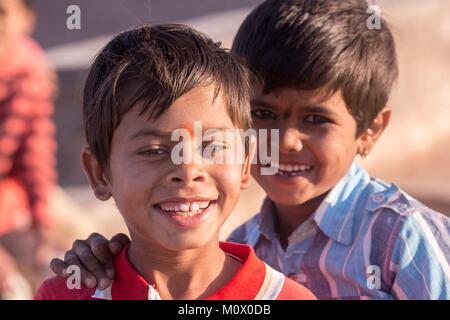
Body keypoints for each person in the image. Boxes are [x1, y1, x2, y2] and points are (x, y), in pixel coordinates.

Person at [49, 0, 450, 299]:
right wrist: (104, 261)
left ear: (371, 130)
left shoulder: (403, 237)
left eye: (315, 119)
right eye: (262, 113)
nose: (285, 141)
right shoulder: (244, 242)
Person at [34, 23, 316, 300]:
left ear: (245, 163)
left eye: (213, 146)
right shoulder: (65, 295)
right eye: (154, 150)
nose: (187, 170)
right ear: (99, 173)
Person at [0, 0, 57, 298]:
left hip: (10, 200)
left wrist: (41, 220)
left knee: (54, 261)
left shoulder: (30, 72)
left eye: (2, 13)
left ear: (27, 19)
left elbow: (35, 154)